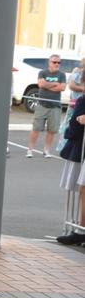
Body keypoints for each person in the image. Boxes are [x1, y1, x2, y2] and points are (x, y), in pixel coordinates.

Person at [56, 94, 85, 245]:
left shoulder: (82, 100)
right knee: (82, 190)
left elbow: (73, 128)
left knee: (83, 190)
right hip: (80, 148)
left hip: (80, 148)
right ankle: (80, 229)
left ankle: (81, 230)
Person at [26, 54, 66, 158]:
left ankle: (46, 150)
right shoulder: (42, 72)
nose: (57, 64)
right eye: (54, 62)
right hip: (42, 105)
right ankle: (30, 150)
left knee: (51, 130)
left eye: (58, 62)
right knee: (36, 128)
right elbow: (41, 85)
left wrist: (47, 85)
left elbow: (62, 88)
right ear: (49, 62)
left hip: (55, 106)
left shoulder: (62, 75)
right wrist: (54, 84)